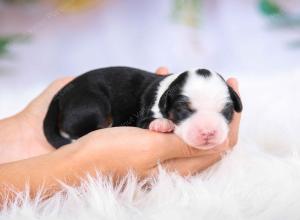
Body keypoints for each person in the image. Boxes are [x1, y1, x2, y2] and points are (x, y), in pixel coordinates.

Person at [0, 67, 241, 203]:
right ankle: (75, 134)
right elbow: (147, 120)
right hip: (88, 97)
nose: (209, 128)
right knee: (92, 109)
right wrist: (79, 162)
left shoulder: (171, 95)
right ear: (166, 103)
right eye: (186, 111)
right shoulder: (158, 100)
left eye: (224, 111)